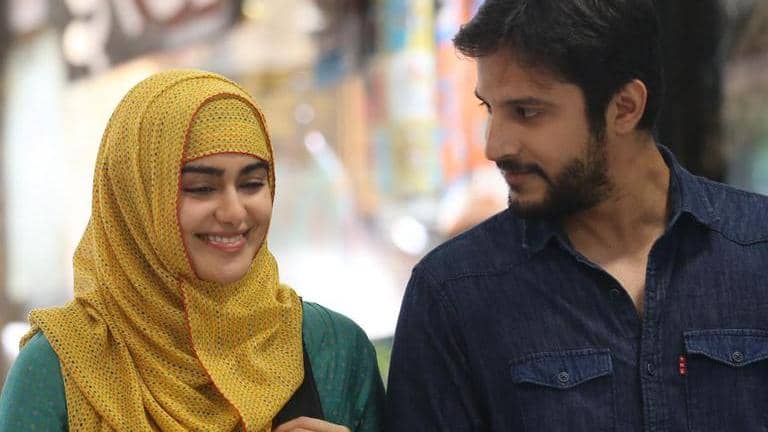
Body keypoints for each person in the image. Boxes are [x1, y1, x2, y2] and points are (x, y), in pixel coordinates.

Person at [386, 1, 768, 431]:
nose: (495, 146)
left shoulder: (758, 252)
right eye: (488, 108)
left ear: (625, 107)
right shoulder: (452, 294)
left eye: (527, 112)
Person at [0, 70, 384, 431]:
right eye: (201, 188)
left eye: (252, 183)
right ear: (136, 199)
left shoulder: (333, 349)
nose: (234, 213)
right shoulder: (61, 364)